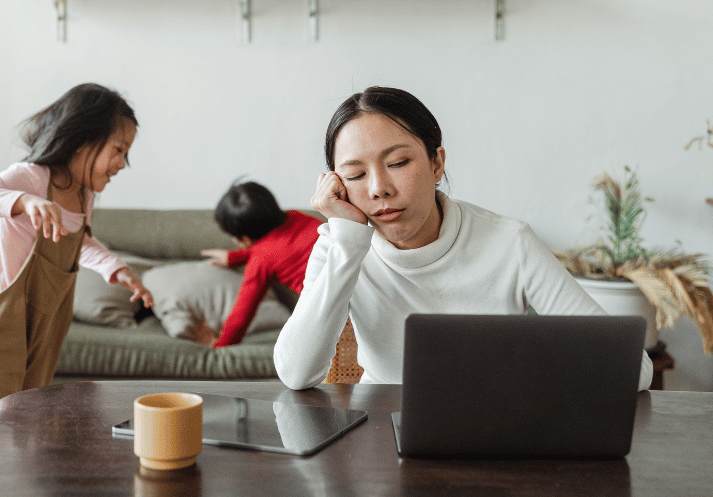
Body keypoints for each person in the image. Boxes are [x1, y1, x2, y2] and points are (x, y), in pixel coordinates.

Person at [273, 86, 653, 391]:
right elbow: (296, 374)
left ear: (436, 163)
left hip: (494, 430)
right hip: (381, 434)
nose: (378, 189)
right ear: (336, 185)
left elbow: (633, 369)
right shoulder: (341, 246)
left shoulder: (509, 243)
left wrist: (524, 380)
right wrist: (348, 242)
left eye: (398, 163)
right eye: (355, 175)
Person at [0, 83, 154, 430]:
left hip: (41, 331)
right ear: (82, 141)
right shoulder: (30, 178)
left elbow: (78, 241)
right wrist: (23, 201)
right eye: (117, 149)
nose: (121, 164)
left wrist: (117, 269)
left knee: (25, 427)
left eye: (126, 153)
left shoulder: (83, 195)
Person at [200, 181, 322, 348]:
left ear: (244, 239)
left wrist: (220, 345)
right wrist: (235, 257)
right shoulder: (297, 216)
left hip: (330, 311)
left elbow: (241, 315)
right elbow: (283, 246)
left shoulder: (261, 261)